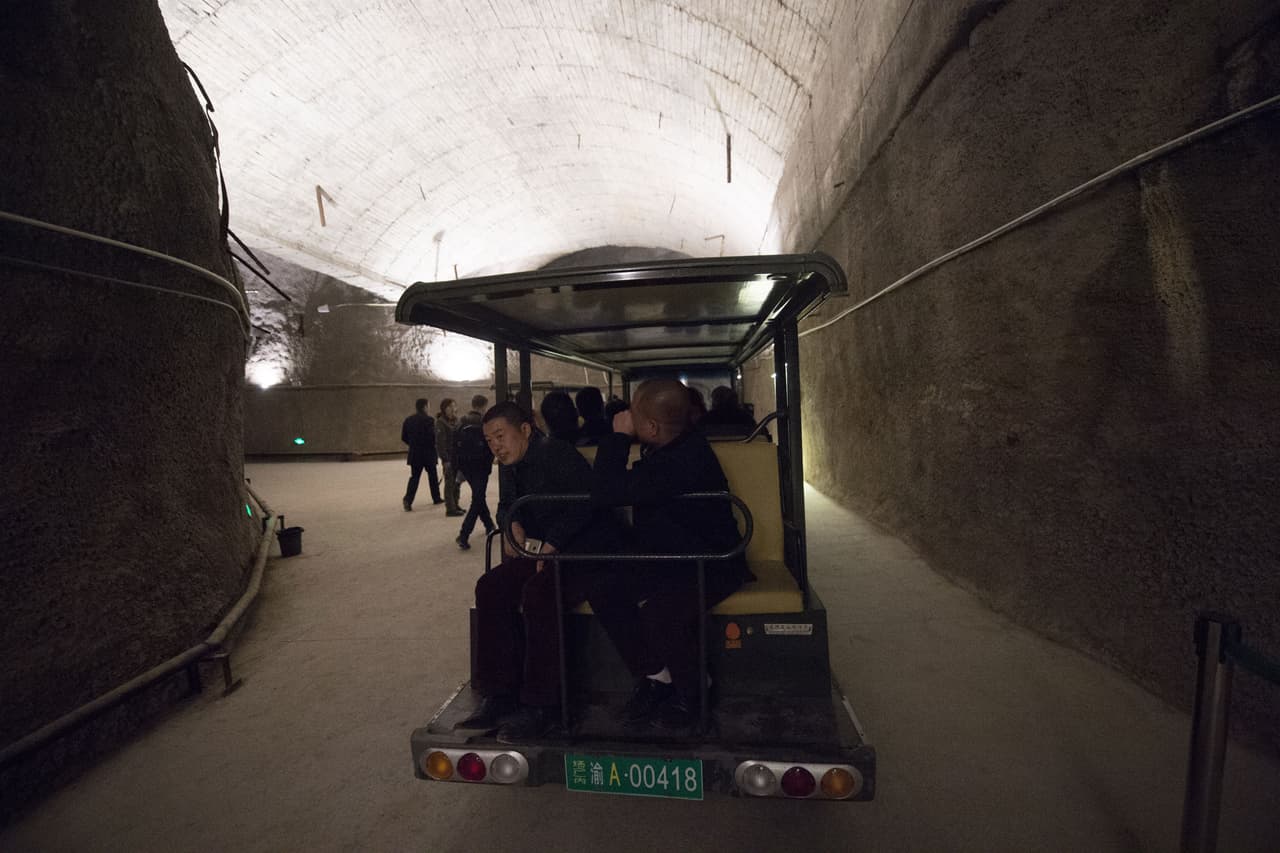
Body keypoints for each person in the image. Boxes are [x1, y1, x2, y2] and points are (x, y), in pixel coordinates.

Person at [588, 379, 752, 728]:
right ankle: (657, 676)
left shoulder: (682, 461)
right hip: (671, 556)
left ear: (651, 427)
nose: (626, 417)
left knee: (662, 614)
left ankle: (695, 695)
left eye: (633, 414)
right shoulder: (674, 443)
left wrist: (617, 436)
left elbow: (606, 491)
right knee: (605, 589)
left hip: (712, 563)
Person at [456, 401, 613, 741]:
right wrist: (511, 526)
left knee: (539, 593)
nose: (495, 445)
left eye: (500, 435)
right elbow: (507, 506)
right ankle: (499, 693)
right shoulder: (511, 464)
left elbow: (587, 503)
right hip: (542, 551)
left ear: (525, 430)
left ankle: (545, 704)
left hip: (582, 552)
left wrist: (554, 544)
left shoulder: (559, 454)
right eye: (489, 440)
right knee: (491, 587)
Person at [454, 394, 496, 549]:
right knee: (478, 498)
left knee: (479, 495)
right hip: (481, 466)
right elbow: (490, 444)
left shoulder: (461, 421)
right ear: (483, 406)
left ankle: (489, 525)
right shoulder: (485, 422)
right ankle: (464, 534)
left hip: (466, 466)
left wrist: (456, 466)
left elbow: (454, 445)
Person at [401, 398, 441, 511]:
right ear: (424, 407)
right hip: (428, 453)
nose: (429, 408)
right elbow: (433, 437)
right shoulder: (430, 420)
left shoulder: (408, 420)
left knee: (415, 477)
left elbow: (403, 437)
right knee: (433, 476)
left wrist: (413, 444)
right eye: (428, 406)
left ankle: (408, 499)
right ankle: (436, 498)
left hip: (415, 453)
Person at [435, 398, 464, 517]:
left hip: (458, 456)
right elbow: (440, 443)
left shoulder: (457, 421)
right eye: (450, 407)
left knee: (457, 482)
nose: (453, 409)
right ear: (444, 409)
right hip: (449, 457)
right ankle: (450, 508)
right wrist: (445, 460)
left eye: (454, 406)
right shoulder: (441, 423)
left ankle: (456, 504)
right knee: (449, 482)